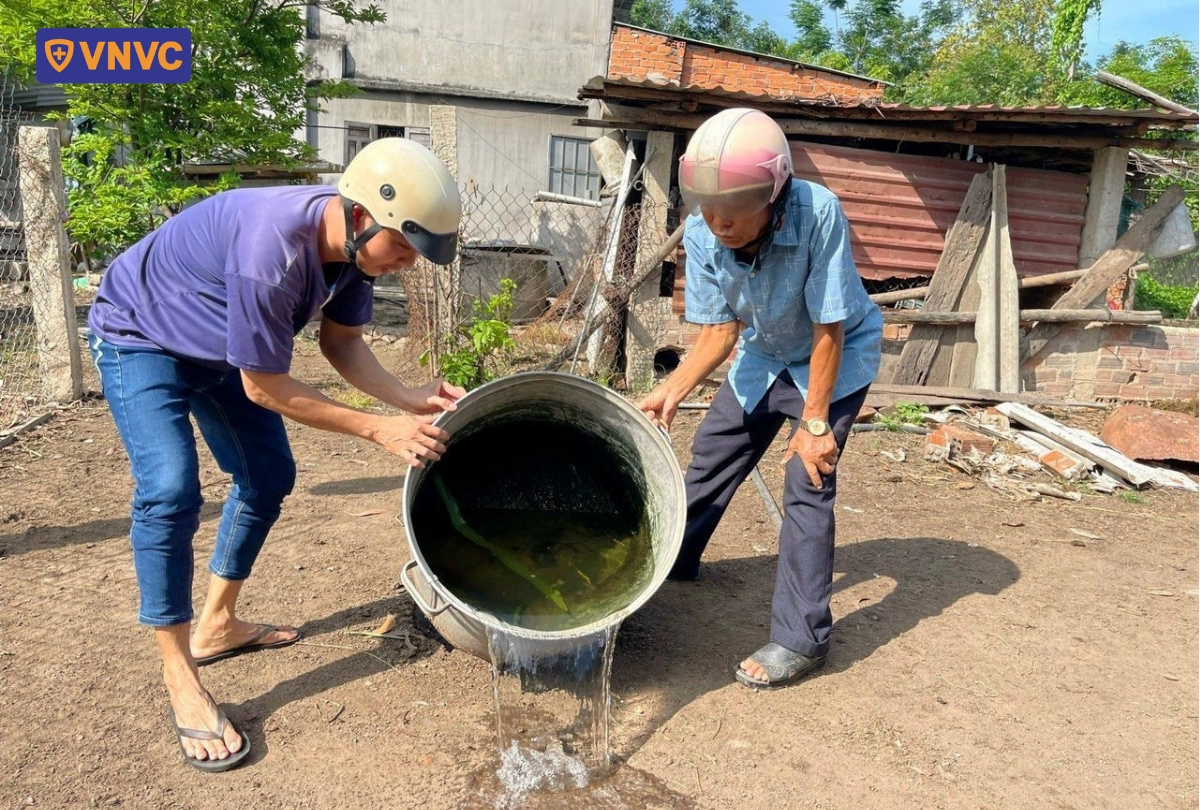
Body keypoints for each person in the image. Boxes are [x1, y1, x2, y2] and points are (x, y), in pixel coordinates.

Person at [87, 138, 465, 771]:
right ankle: (180, 673)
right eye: (403, 245)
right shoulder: (273, 252)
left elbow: (342, 345)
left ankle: (217, 625)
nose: (407, 263)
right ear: (362, 214)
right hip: (142, 335)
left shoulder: (350, 258)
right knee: (171, 490)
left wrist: (408, 399)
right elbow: (263, 386)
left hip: (221, 353)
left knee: (268, 477)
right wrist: (379, 431)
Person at [639, 108, 882, 690]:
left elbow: (830, 326)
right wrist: (670, 390)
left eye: (732, 214)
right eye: (708, 210)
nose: (717, 224)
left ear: (773, 196)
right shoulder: (702, 231)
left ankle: (801, 639)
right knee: (715, 448)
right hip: (765, 353)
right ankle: (674, 559)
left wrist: (816, 422)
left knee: (808, 480)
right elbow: (720, 331)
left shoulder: (817, 213)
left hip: (833, 358)